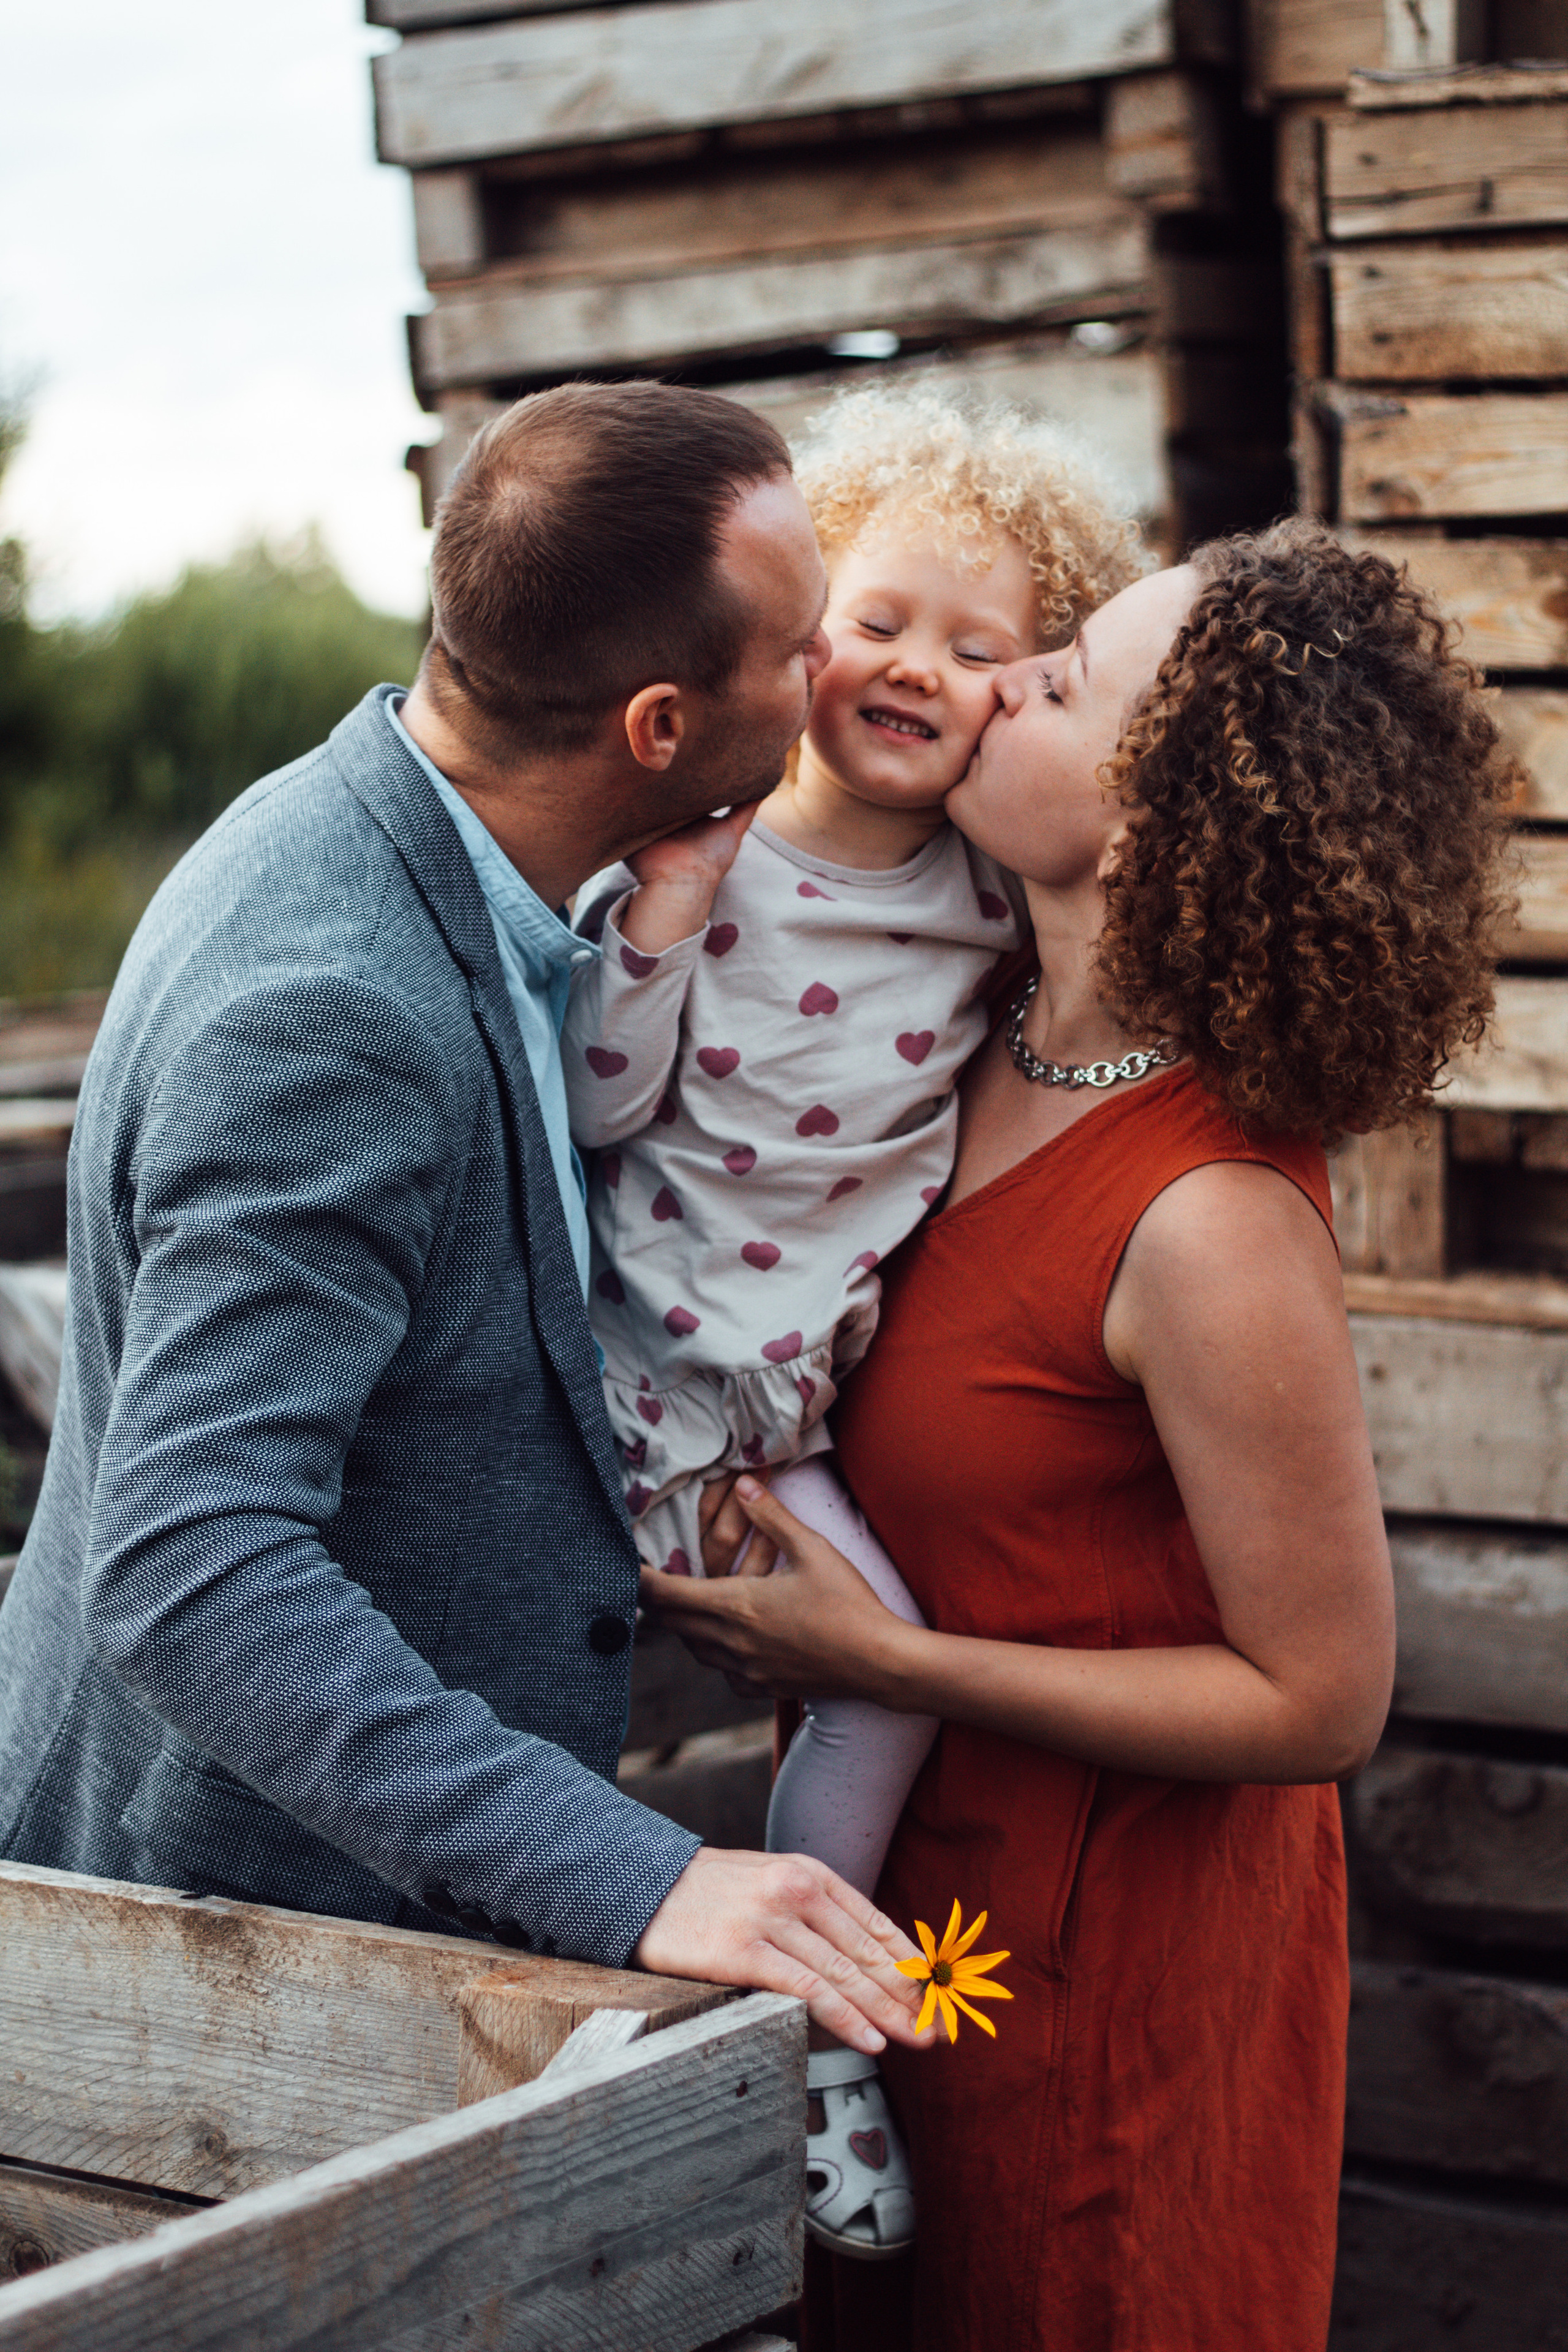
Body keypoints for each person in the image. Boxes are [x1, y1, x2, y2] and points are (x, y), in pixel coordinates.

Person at [641, 517, 1515, 2350]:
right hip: (904, 1938)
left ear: (1161, 824)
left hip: (1108, 1981)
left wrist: (887, 1660)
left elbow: (1320, 1702)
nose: (1003, 681)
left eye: (1063, 678)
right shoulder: (959, 1048)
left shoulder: (1209, 1217)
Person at [0, 380, 929, 2062]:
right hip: (221, 1965)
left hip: (321, 1920)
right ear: (658, 726)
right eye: (797, 650)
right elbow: (192, 1565)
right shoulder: (333, 1009)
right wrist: (640, 1874)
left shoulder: (397, 829)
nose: (831, 678)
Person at [562, 382, 1141, 2258]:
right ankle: (730, 2024)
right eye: (878, 619)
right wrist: (656, 931)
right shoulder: (708, 858)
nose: (916, 667)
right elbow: (593, 1111)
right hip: (648, 1378)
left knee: (872, 1675)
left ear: (1019, 697)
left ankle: (793, 2011)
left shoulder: (987, 903)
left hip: (790, 1416)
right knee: (632, 1692)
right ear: (806, 627)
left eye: (982, 652)